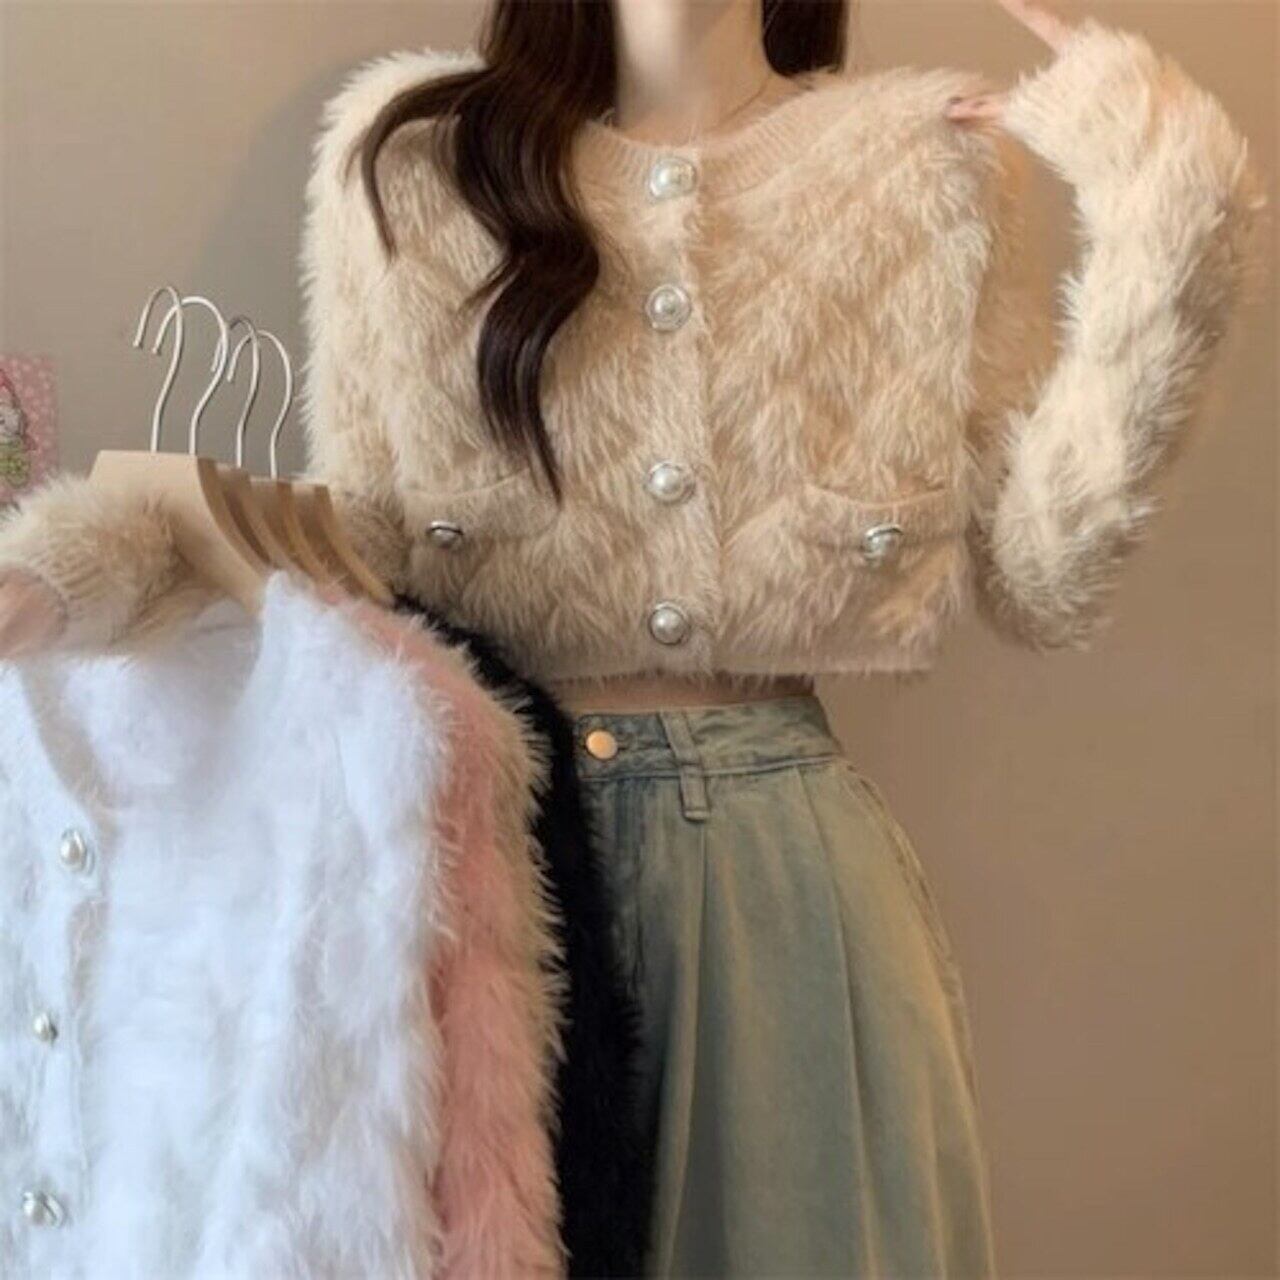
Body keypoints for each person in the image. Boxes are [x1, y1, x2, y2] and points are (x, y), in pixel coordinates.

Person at [0, 0, 1268, 1274]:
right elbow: (350, 544)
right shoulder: (416, 158)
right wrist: (72, 567)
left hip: (777, 891)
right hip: (485, 877)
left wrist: (1171, 209)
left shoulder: (926, 165)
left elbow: (1041, 578)